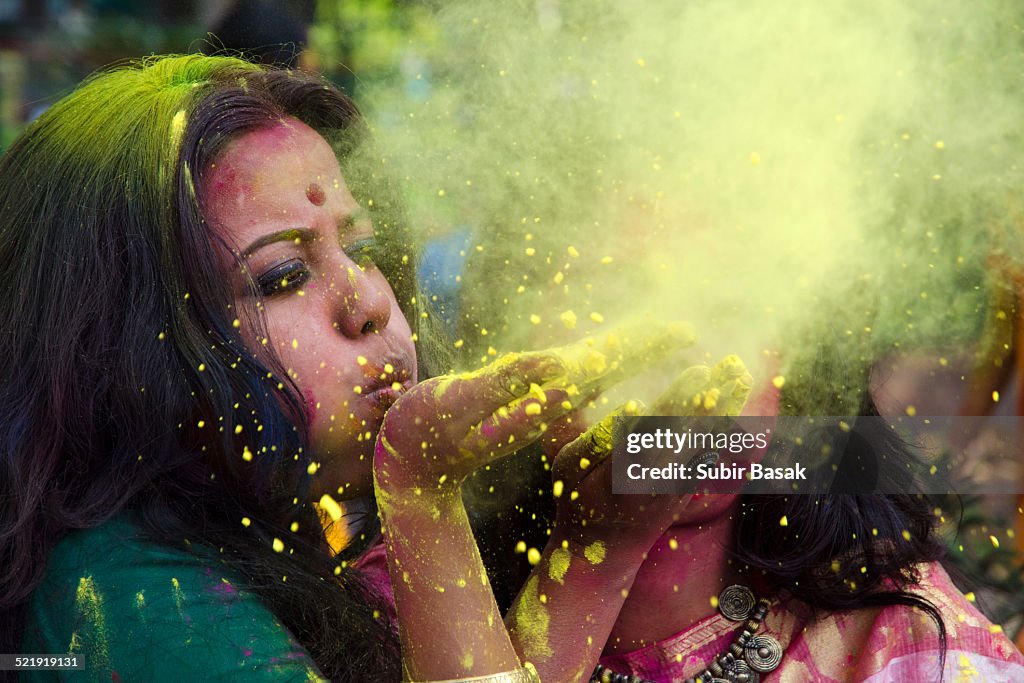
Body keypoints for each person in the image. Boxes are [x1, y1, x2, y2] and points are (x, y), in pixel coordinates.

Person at [0, 53, 708, 682]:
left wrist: (594, 547)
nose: (369, 302)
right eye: (281, 275)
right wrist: (424, 497)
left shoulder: (792, 451)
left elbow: (767, 456)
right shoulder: (135, 602)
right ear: (124, 343)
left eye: (363, 247)